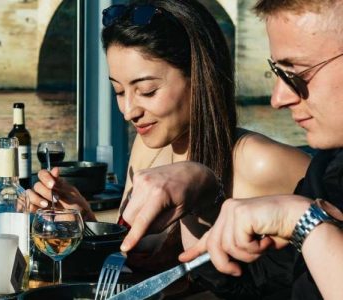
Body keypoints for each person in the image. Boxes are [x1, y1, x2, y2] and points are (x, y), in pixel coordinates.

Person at [29, 0, 309, 272]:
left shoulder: (263, 163)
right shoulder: (146, 147)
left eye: (147, 91)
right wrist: (84, 222)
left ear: (198, 77)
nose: (128, 112)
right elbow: (130, 264)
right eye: (119, 91)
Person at [118, 0, 343, 298]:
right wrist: (206, 194)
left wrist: (303, 220)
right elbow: (257, 288)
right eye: (118, 91)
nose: (278, 98)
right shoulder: (328, 169)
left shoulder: (288, 171)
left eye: (297, 73)